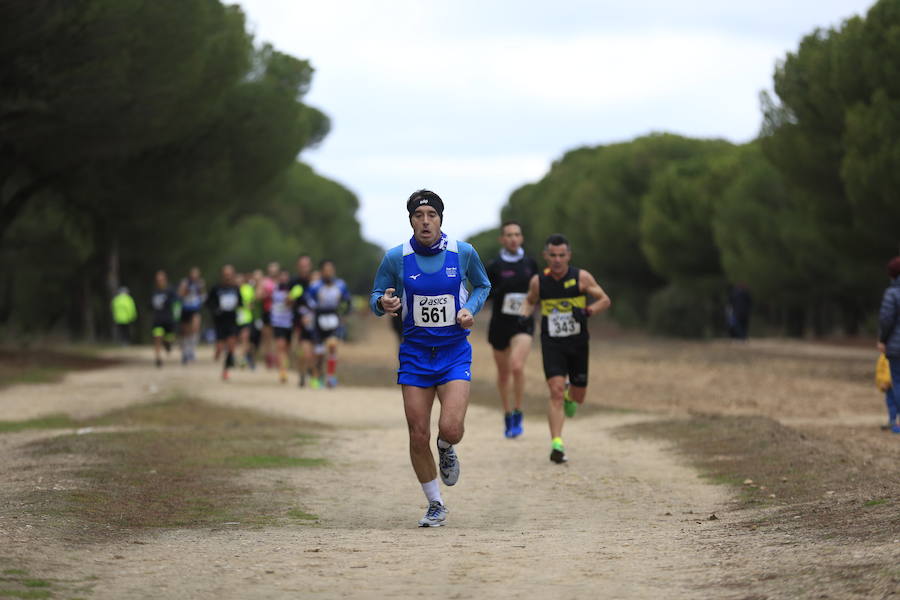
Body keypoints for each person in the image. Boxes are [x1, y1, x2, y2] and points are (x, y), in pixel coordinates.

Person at [370, 189, 491, 527]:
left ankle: (447, 446)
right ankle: (435, 503)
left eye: (431, 215)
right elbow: (376, 294)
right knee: (416, 433)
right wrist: (384, 303)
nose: (425, 222)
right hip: (415, 355)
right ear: (410, 220)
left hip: (454, 352)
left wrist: (469, 309)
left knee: (450, 428)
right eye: (418, 216)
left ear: (440, 219)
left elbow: (483, 285)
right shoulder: (396, 258)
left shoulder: (462, 253)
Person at [521, 233, 611, 464]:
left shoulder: (581, 277)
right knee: (555, 391)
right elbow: (530, 301)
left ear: (568, 255)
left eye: (562, 255)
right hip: (552, 343)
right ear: (546, 256)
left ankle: (572, 396)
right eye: (553, 255)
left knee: (578, 397)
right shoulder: (538, 281)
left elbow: (604, 300)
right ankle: (557, 444)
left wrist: (587, 311)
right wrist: (523, 317)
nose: (558, 260)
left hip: (578, 343)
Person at [485, 221, 539, 438]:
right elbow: (484, 292)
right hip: (500, 324)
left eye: (517, 234)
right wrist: (498, 291)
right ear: (502, 239)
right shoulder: (494, 266)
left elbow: (537, 291)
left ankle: (518, 411)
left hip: (523, 323)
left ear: (522, 238)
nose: (513, 238)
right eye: (508, 235)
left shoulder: (531, 264)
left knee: (517, 366)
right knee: (504, 373)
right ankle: (507, 412)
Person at [307, 259, 352, 389]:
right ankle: (316, 376)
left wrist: (344, 313)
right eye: (326, 270)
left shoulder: (340, 285)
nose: (328, 273)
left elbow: (347, 300)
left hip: (333, 316)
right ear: (321, 272)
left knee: (332, 345)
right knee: (319, 352)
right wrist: (313, 309)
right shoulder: (315, 286)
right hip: (319, 318)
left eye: (330, 270)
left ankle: (330, 376)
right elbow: (307, 299)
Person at [877, 256, 900, 434]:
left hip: (896, 346)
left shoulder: (892, 293)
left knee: (897, 383)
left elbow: (886, 320)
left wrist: (883, 340)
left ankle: (896, 420)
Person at [207, 264, 242, 381]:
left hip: (232, 320)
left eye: (230, 274)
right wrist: (215, 310)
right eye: (226, 274)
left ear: (233, 275)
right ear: (222, 275)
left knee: (231, 344)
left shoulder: (236, 288)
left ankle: (225, 370)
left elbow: (240, 303)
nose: (228, 276)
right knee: (220, 346)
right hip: (220, 321)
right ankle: (217, 350)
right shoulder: (216, 289)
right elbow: (208, 303)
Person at [290, 255, 315, 387]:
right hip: (299, 321)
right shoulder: (294, 282)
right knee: (303, 351)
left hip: (316, 321)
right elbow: (287, 302)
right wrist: (293, 295)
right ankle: (302, 374)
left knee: (315, 352)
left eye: (306, 265)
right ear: (298, 266)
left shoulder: (315, 281)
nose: (304, 268)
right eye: (302, 265)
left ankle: (313, 372)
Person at [271, 270, 296, 383]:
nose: (284, 280)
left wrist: (291, 298)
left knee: (287, 348)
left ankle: (284, 366)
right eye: (282, 277)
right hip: (277, 322)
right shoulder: (274, 289)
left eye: (286, 278)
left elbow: (292, 304)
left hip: (288, 323)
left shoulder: (292, 291)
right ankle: (282, 371)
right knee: (280, 346)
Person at [150, 270, 179, 368]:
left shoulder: (170, 291)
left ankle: (167, 345)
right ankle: (158, 358)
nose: (159, 281)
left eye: (161, 279)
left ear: (165, 280)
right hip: (158, 319)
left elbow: (177, 303)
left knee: (168, 339)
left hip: (168, 320)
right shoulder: (154, 292)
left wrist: (176, 317)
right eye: (158, 280)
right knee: (157, 337)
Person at [177, 267, 206, 364]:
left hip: (195, 308)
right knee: (186, 331)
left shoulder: (200, 283)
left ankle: (191, 350)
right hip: (185, 308)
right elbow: (180, 294)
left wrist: (201, 297)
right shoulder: (185, 282)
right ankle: (185, 351)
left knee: (195, 328)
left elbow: (203, 295)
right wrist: (186, 290)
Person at [257, 261, 280, 369]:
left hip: (280, 313)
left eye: (275, 269)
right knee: (268, 336)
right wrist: (266, 294)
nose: (273, 271)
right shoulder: (264, 282)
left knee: (278, 336)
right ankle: (268, 357)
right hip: (267, 311)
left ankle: (277, 357)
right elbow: (257, 296)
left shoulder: (281, 281)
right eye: (271, 269)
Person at [236, 272, 257, 370]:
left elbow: (252, 303)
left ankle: (241, 359)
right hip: (236, 319)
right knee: (244, 341)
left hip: (246, 318)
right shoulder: (233, 290)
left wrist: (246, 305)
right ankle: (250, 357)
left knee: (245, 338)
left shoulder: (248, 289)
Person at [875, 353, 897, 432]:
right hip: (890, 383)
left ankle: (893, 422)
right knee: (892, 403)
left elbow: (889, 369)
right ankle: (892, 421)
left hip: (890, 384)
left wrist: (887, 382)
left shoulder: (888, 355)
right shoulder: (885, 354)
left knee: (892, 403)